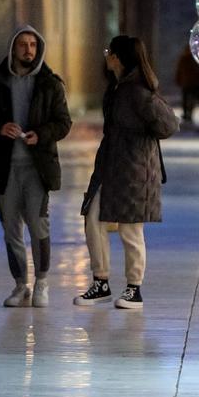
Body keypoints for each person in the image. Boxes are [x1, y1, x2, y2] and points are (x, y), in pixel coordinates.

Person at [76, 35, 179, 310]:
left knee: (130, 230)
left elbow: (169, 124)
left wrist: (141, 139)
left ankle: (134, 288)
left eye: (109, 51)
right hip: (110, 166)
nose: (106, 55)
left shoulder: (137, 92)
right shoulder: (117, 88)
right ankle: (101, 282)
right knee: (93, 218)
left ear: (118, 58)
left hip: (135, 169)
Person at [0, 26, 72, 306]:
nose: (28, 50)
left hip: (37, 168)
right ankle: (20, 285)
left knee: (39, 225)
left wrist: (41, 134)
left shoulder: (50, 84)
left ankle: (42, 282)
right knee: (11, 230)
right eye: (22, 45)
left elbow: (64, 123)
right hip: (5, 168)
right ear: (13, 49)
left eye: (32, 45)